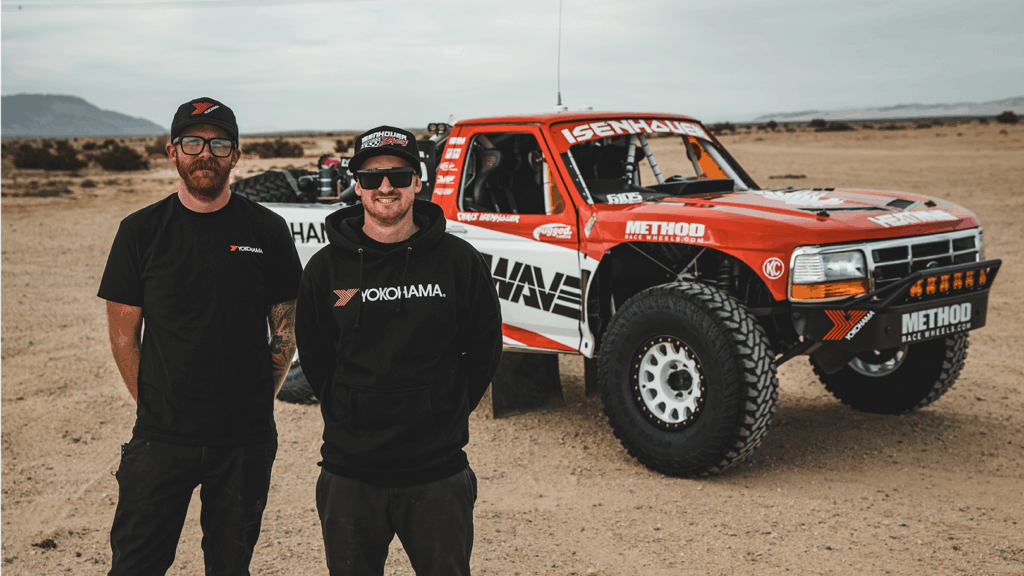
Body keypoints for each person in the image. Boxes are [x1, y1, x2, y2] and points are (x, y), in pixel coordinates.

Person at [98, 97, 302, 575]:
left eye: (218, 143)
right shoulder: (140, 231)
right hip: (162, 437)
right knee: (135, 565)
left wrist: (259, 397)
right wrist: (153, 403)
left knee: (230, 567)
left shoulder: (266, 230)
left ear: (236, 154)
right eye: (193, 142)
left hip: (244, 438)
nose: (204, 153)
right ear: (173, 152)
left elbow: (285, 331)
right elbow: (124, 338)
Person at [296, 125, 503, 576]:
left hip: (437, 474)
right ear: (356, 185)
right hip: (350, 474)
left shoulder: (458, 261)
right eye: (371, 177)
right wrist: (347, 408)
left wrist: (444, 411)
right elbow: (314, 355)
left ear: (418, 180)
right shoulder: (325, 268)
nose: (385, 187)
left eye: (398, 174)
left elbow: (484, 346)